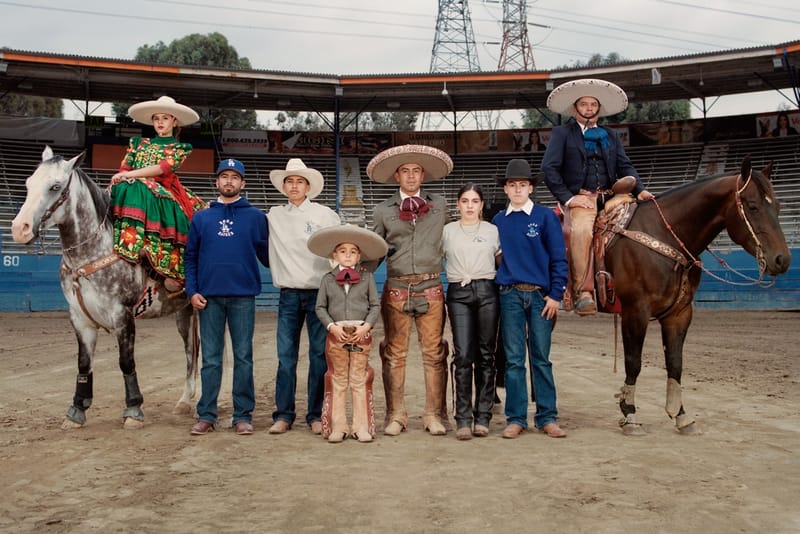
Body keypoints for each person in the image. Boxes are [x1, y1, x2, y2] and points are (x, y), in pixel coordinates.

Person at [541, 78, 654, 316]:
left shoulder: (611, 136)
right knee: (581, 231)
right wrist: (569, 199)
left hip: (613, 196)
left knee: (642, 220)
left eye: (593, 104)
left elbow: (626, 166)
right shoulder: (562, 133)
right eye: (584, 104)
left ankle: (644, 283)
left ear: (598, 109)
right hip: (582, 199)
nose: (589, 108)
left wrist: (640, 189)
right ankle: (584, 291)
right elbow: (549, 169)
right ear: (575, 109)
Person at [367, 144, 453, 437]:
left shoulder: (440, 205)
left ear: (423, 175)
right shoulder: (382, 210)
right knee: (394, 354)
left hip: (430, 286)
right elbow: (373, 250)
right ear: (397, 176)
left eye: (416, 171)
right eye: (406, 171)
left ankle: (433, 414)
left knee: (433, 352)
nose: (412, 176)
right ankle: (396, 415)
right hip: (397, 287)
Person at [184, 159, 269, 436]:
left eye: (235, 177)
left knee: (244, 356)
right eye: (224, 177)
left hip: (243, 296)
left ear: (243, 183)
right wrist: (192, 290)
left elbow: (269, 255)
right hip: (208, 298)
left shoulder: (256, 218)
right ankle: (207, 413)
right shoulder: (201, 218)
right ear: (217, 182)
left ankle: (242, 414)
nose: (229, 181)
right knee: (211, 358)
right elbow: (191, 257)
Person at [492, 159, 568, 439]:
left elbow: (559, 259)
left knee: (541, 358)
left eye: (522, 184)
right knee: (513, 359)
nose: (517, 189)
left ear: (531, 187)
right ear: (505, 189)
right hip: (510, 294)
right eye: (512, 185)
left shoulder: (546, 217)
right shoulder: (499, 221)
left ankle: (547, 416)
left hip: (539, 297)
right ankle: (516, 417)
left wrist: (555, 295)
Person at [267, 158, 341, 435]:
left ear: (308, 187)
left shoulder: (325, 215)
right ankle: (283, 414)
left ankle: (316, 414)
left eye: (299, 181)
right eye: (290, 181)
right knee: (286, 358)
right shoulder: (273, 215)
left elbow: (338, 250)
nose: (294, 185)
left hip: (319, 293)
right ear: (284, 186)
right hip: (288, 294)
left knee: (319, 357)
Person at [109, 95, 206, 293]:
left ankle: (167, 269)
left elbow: (162, 169)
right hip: (133, 186)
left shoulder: (179, 148)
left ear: (174, 121)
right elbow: (123, 169)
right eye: (156, 118)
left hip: (163, 190)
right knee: (118, 190)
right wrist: (122, 177)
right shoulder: (138, 143)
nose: (160, 122)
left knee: (138, 186)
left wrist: (131, 175)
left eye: (165, 118)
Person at [309, 224, 387, 443]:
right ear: (335, 254)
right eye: (343, 251)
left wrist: (366, 326)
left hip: (360, 334)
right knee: (338, 379)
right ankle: (338, 426)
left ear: (359, 255)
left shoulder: (367, 278)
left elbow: (375, 305)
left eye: (353, 252)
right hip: (337, 334)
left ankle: (361, 426)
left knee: (359, 380)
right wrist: (332, 327)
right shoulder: (327, 279)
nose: (348, 255)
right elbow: (320, 307)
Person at [442, 183, 500, 440]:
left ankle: (483, 415)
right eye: (464, 200)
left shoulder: (492, 231)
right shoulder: (447, 231)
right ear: (458, 204)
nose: (469, 205)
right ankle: (463, 417)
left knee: (486, 354)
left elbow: (501, 261)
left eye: (474, 201)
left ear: (481, 204)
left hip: (487, 290)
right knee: (463, 354)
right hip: (459, 293)